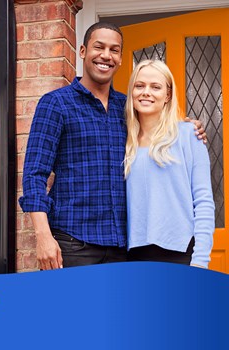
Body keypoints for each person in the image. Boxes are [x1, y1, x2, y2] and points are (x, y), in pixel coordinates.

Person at [19, 22, 206, 270]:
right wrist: (43, 236)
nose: (106, 55)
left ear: (119, 59)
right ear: (83, 51)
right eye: (99, 47)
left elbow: (159, 124)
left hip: (123, 248)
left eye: (114, 50)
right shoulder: (56, 104)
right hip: (73, 245)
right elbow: (34, 175)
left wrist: (188, 127)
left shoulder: (128, 107)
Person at [125, 59, 215, 268]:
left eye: (155, 87)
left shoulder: (189, 135)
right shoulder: (125, 140)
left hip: (180, 253)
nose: (146, 92)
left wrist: (201, 260)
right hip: (134, 255)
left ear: (167, 95)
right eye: (139, 86)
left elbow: (203, 202)